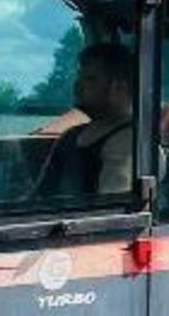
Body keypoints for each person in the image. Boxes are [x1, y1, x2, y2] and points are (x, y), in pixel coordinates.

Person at [38, 41, 136, 199]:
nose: (78, 85)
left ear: (119, 87)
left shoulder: (128, 141)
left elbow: (111, 210)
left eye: (90, 79)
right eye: (80, 77)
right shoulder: (71, 135)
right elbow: (40, 195)